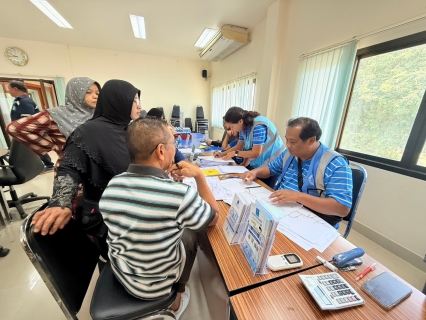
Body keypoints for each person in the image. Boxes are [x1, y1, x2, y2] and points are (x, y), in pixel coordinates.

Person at [99, 117, 218, 319]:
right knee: (190, 235)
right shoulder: (179, 195)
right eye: (174, 142)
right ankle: (175, 300)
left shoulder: (114, 184)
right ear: (161, 150)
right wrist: (199, 175)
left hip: (122, 274)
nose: (176, 147)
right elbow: (213, 218)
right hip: (155, 288)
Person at [31, 79, 141, 259]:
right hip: (108, 218)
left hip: (131, 208)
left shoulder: (129, 130)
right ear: (118, 101)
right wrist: (61, 201)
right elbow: (69, 168)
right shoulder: (88, 132)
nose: (139, 105)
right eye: (135, 100)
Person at [242, 117, 353, 227]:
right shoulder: (289, 153)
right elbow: (271, 168)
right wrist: (255, 172)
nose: (288, 145)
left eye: (293, 141)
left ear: (311, 140)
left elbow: (342, 208)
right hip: (280, 211)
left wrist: (297, 197)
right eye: (287, 140)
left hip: (310, 220)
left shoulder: (335, 163)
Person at [7, 77, 101, 172]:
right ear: (75, 94)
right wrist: (51, 146)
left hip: (99, 169)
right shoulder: (56, 115)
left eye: (97, 93)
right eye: (88, 92)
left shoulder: (99, 114)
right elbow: (15, 128)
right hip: (72, 170)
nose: (95, 96)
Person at [214, 107, 285, 186]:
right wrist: (222, 154)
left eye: (232, 127)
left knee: (264, 188)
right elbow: (239, 147)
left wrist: (235, 153)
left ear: (240, 121)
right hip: (261, 162)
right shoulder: (242, 128)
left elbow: (256, 153)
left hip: (273, 162)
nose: (232, 129)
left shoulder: (258, 126)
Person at [7, 80, 54, 169]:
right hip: (20, 130)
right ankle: (39, 165)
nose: (9, 91)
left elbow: (29, 117)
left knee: (35, 147)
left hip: (26, 130)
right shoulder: (20, 100)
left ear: (15, 89)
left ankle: (49, 165)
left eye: (9, 89)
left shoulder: (24, 101)